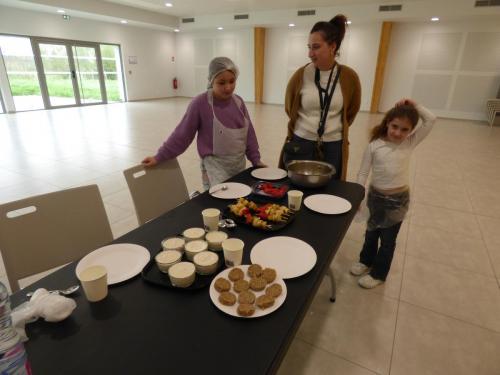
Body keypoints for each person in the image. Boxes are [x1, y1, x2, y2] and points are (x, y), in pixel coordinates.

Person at [350, 98, 436, 288]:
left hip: (398, 200)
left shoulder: (410, 142)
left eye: (405, 129)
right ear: (387, 122)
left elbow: (431, 120)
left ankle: (378, 274)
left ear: (412, 130)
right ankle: (365, 261)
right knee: (371, 232)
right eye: (394, 126)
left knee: (388, 240)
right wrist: (358, 194)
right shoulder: (374, 146)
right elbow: (363, 172)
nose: (398, 133)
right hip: (375, 198)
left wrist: (415, 105)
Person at [142, 57, 265, 189]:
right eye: (221, 83)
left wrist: (256, 160)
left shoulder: (238, 102)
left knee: (237, 200)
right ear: (211, 81)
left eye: (232, 81)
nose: (228, 87)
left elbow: (248, 134)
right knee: (220, 199)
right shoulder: (200, 104)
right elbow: (182, 135)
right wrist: (159, 157)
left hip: (238, 163)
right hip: (214, 165)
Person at [279, 14, 361, 180]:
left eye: (315, 47)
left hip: (333, 145)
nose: (310, 53)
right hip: (301, 143)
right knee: (296, 189)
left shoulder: (349, 77)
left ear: (332, 46)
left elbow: (351, 112)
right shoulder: (301, 75)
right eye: (308, 47)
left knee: (330, 192)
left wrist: (331, 130)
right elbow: (290, 108)